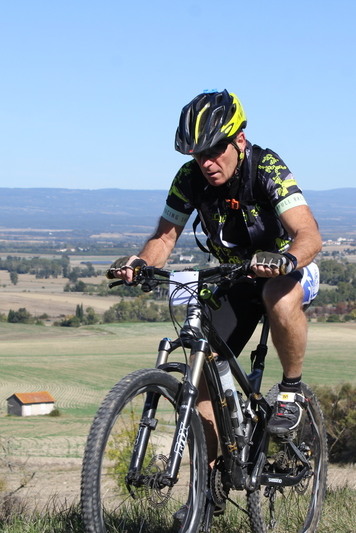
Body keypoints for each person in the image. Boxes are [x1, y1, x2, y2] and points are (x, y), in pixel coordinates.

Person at [109, 90, 322, 457]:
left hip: (286, 271)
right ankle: (208, 481)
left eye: (214, 151)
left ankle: (291, 391)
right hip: (233, 278)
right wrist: (141, 263)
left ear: (239, 139)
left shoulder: (266, 167)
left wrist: (287, 260)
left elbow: (309, 235)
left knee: (278, 295)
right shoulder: (189, 178)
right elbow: (164, 237)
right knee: (202, 372)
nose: (206, 163)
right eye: (197, 155)